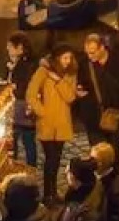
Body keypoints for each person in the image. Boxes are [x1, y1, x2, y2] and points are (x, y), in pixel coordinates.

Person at [26, 44, 80, 203]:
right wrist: (41, 112)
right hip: (47, 124)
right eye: (64, 58)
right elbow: (31, 94)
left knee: (56, 159)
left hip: (62, 123)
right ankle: (47, 194)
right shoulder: (42, 72)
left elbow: (70, 97)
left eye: (70, 58)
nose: (67, 61)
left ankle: (53, 192)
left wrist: (58, 81)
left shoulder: (70, 73)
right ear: (57, 58)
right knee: (50, 159)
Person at [77, 32, 119, 149]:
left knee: (114, 151)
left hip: (114, 113)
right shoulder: (85, 65)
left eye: (92, 52)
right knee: (100, 153)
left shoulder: (117, 60)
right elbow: (81, 83)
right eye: (87, 53)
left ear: (102, 47)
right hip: (94, 117)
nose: (89, 56)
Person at [48, 157, 108, 221]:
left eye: (69, 171)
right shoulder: (78, 191)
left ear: (75, 179)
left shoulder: (88, 214)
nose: (65, 172)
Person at [4, 34, 40, 168]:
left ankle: (31, 169)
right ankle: (11, 168)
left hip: (23, 109)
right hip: (14, 109)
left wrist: (13, 86)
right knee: (12, 143)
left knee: (28, 141)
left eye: (10, 47)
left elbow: (25, 87)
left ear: (19, 47)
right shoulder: (14, 63)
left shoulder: (28, 65)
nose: (7, 50)